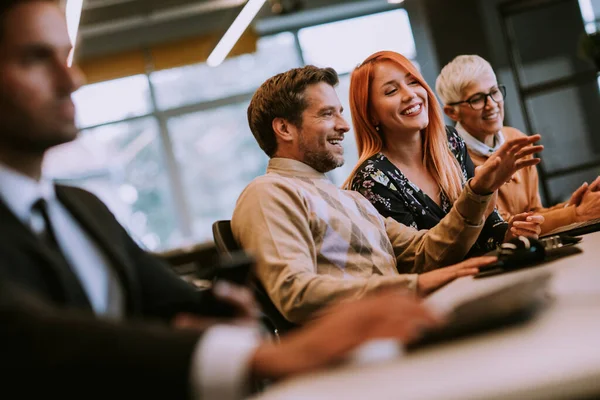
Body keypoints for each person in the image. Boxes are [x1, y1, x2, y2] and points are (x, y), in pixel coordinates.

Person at [0, 1, 444, 398]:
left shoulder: (81, 209)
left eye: (66, 57)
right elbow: (32, 336)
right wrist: (255, 357)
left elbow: (178, 299)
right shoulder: (270, 192)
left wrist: (231, 313)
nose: (71, 79)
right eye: (35, 59)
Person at [232, 64, 540, 325]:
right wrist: (414, 285)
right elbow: (294, 293)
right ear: (284, 129)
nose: (344, 126)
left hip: (405, 325)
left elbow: (427, 251)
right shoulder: (268, 193)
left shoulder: (350, 200)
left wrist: (478, 191)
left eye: (340, 113)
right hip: (366, 347)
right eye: (327, 115)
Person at [344, 51, 544, 256]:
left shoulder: (451, 142)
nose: (410, 94)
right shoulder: (370, 180)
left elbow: (488, 227)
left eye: (413, 82)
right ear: (371, 115)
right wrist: (479, 191)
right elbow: (423, 258)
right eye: (392, 91)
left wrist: (509, 233)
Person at [436, 55, 600, 235]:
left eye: (494, 91)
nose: (492, 104)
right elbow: (501, 228)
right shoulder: (452, 160)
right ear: (452, 112)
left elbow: (532, 213)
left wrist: (574, 205)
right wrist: (575, 214)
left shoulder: (515, 138)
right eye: (476, 99)